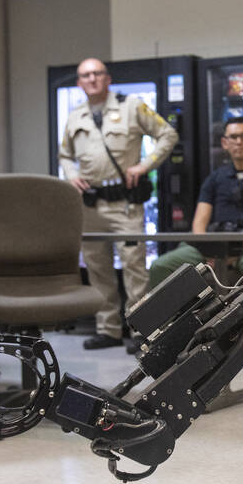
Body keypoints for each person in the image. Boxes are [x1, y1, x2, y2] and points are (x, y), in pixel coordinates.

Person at [146, 117, 243, 367]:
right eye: (233, 137)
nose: (238, 141)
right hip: (212, 246)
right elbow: (199, 224)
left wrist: (237, 249)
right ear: (225, 143)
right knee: (163, 266)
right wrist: (209, 248)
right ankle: (173, 337)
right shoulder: (215, 178)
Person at [58, 58, 178, 353]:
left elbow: (168, 134)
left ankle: (141, 330)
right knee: (98, 269)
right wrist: (72, 175)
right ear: (79, 83)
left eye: (97, 73)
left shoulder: (132, 106)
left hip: (125, 203)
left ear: (107, 78)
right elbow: (64, 155)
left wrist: (144, 166)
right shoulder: (75, 116)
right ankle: (108, 329)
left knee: (134, 267)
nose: (92, 79)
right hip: (91, 204)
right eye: (85, 75)